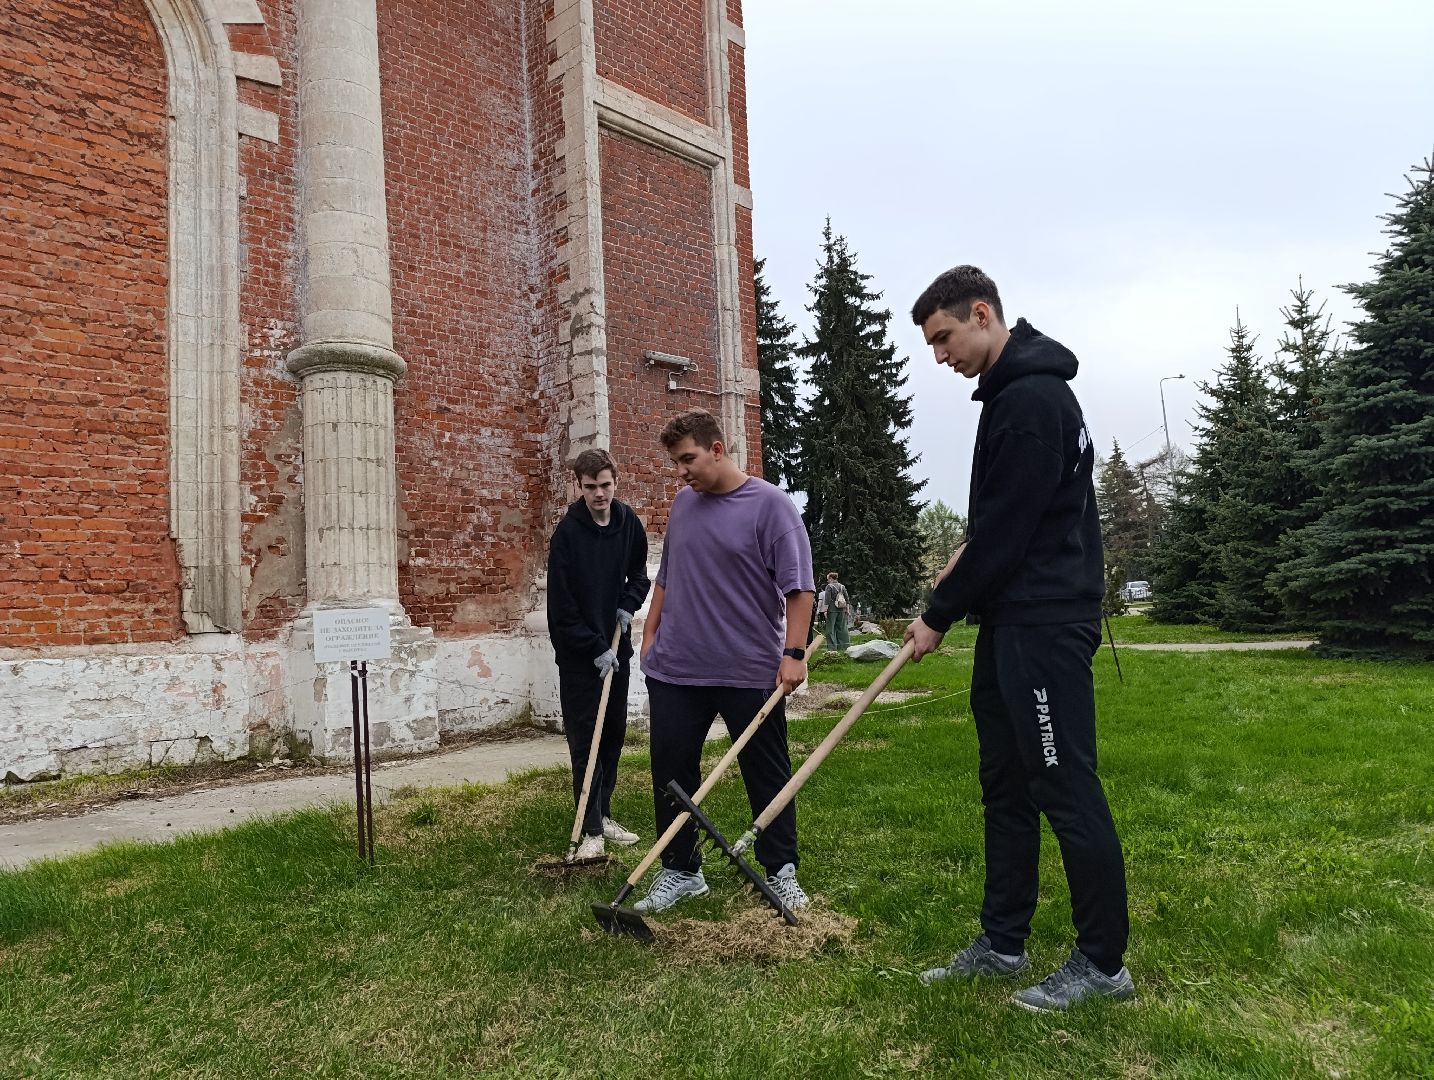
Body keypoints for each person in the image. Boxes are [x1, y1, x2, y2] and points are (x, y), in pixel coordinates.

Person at [903, 266, 1133, 1012]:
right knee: (1006, 786)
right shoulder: (1011, 395)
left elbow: (1009, 532)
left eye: (944, 338)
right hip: (1011, 619)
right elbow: (1008, 515)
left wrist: (939, 610)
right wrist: (967, 558)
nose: (941, 356)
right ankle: (1002, 942)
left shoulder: (1032, 398)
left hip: (1044, 621)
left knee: (1063, 783)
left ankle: (1103, 964)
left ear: (982, 313)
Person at [633, 409, 816, 914]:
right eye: (675, 462)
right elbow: (667, 577)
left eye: (688, 458)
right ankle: (680, 871)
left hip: (748, 670)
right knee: (671, 772)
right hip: (676, 670)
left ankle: (781, 871)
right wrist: (650, 636)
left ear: (718, 449)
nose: (681, 471)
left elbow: (800, 589)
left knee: (767, 772)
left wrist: (794, 655)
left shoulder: (771, 507)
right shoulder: (684, 505)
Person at [546, 448, 651, 861]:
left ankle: (603, 813)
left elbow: (639, 574)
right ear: (579, 487)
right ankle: (589, 830)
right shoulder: (567, 536)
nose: (599, 494)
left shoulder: (627, 523)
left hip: (616, 648)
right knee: (585, 740)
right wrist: (592, 649)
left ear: (615, 482)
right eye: (591, 487)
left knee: (613, 736)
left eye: (605, 485)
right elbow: (561, 609)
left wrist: (629, 603)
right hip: (579, 658)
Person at [821, 571, 851, 649]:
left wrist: (825, 611)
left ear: (831, 578)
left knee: (830, 630)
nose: (827, 581)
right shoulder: (842, 586)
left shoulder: (829, 586)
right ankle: (844, 646)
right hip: (842, 609)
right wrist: (847, 610)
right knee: (842, 628)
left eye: (828, 579)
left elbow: (827, 600)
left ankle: (832, 648)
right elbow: (847, 599)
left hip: (832, 610)